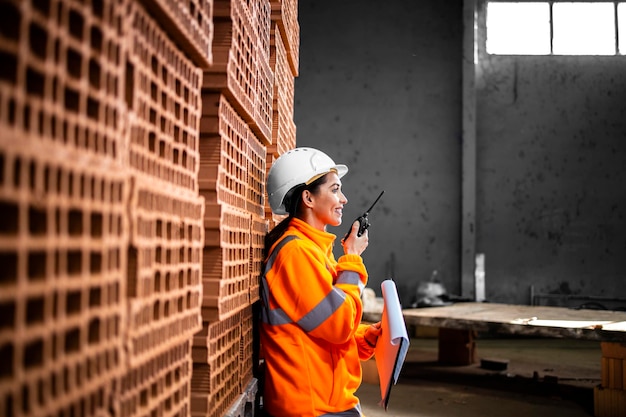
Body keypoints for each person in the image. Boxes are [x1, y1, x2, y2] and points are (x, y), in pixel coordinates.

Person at [258, 147, 382, 417]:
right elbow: (337, 325)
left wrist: (364, 337)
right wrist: (352, 258)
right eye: (335, 189)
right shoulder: (296, 254)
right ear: (308, 198)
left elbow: (317, 328)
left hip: (326, 400)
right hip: (311, 408)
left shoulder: (314, 250)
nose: (344, 199)